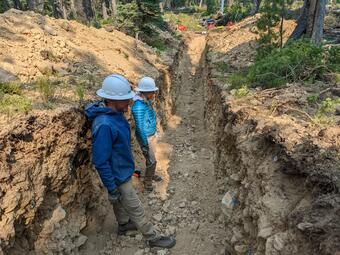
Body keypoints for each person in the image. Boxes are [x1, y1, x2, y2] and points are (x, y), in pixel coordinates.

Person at [85, 74, 176, 248]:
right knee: (136, 207)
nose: (129, 102)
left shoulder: (114, 113)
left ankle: (124, 225)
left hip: (122, 170)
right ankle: (153, 237)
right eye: (125, 100)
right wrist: (111, 187)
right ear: (112, 100)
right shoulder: (104, 124)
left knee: (119, 202)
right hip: (118, 175)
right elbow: (101, 161)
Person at [131, 77, 162, 191]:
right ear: (145, 92)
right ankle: (148, 181)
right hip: (146, 138)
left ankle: (151, 174)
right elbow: (139, 127)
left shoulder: (145, 101)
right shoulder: (138, 107)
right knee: (152, 160)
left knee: (152, 158)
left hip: (151, 135)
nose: (154, 93)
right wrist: (144, 144)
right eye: (152, 91)